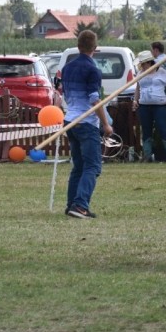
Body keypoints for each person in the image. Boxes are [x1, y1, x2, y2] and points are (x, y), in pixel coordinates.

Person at [60, 29, 113, 219]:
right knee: (93, 166)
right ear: (95, 48)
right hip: (86, 122)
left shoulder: (67, 68)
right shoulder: (93, 70)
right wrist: (106, 124)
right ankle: (81, 206)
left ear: (78, 46)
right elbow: (94, 100)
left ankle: (71, 204)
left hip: (70, 121)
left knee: (79, 166)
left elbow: (64, 94)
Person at [132, 50, 166, 162]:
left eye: (143, 63)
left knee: (163, 129)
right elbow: (138, 88)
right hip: (144, 106)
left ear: (149, 62)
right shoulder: (140, 73)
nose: (142, 66)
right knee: (146, 131)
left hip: (160, 106)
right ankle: (147, 156)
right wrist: (135, 100)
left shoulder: (162, 72)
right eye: (141, 64)